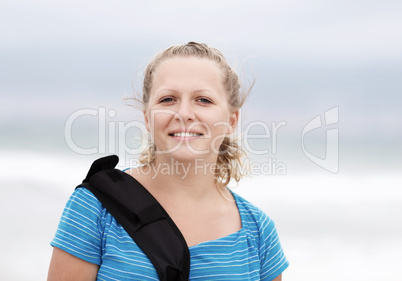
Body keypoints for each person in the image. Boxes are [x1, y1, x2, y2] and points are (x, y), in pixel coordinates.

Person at [47, 42, 289, 280]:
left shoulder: (258, 232)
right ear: (148, 118)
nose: (183, 113)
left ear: (232, 120)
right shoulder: (97, 206)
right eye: (168, 99)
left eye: (203, 100)